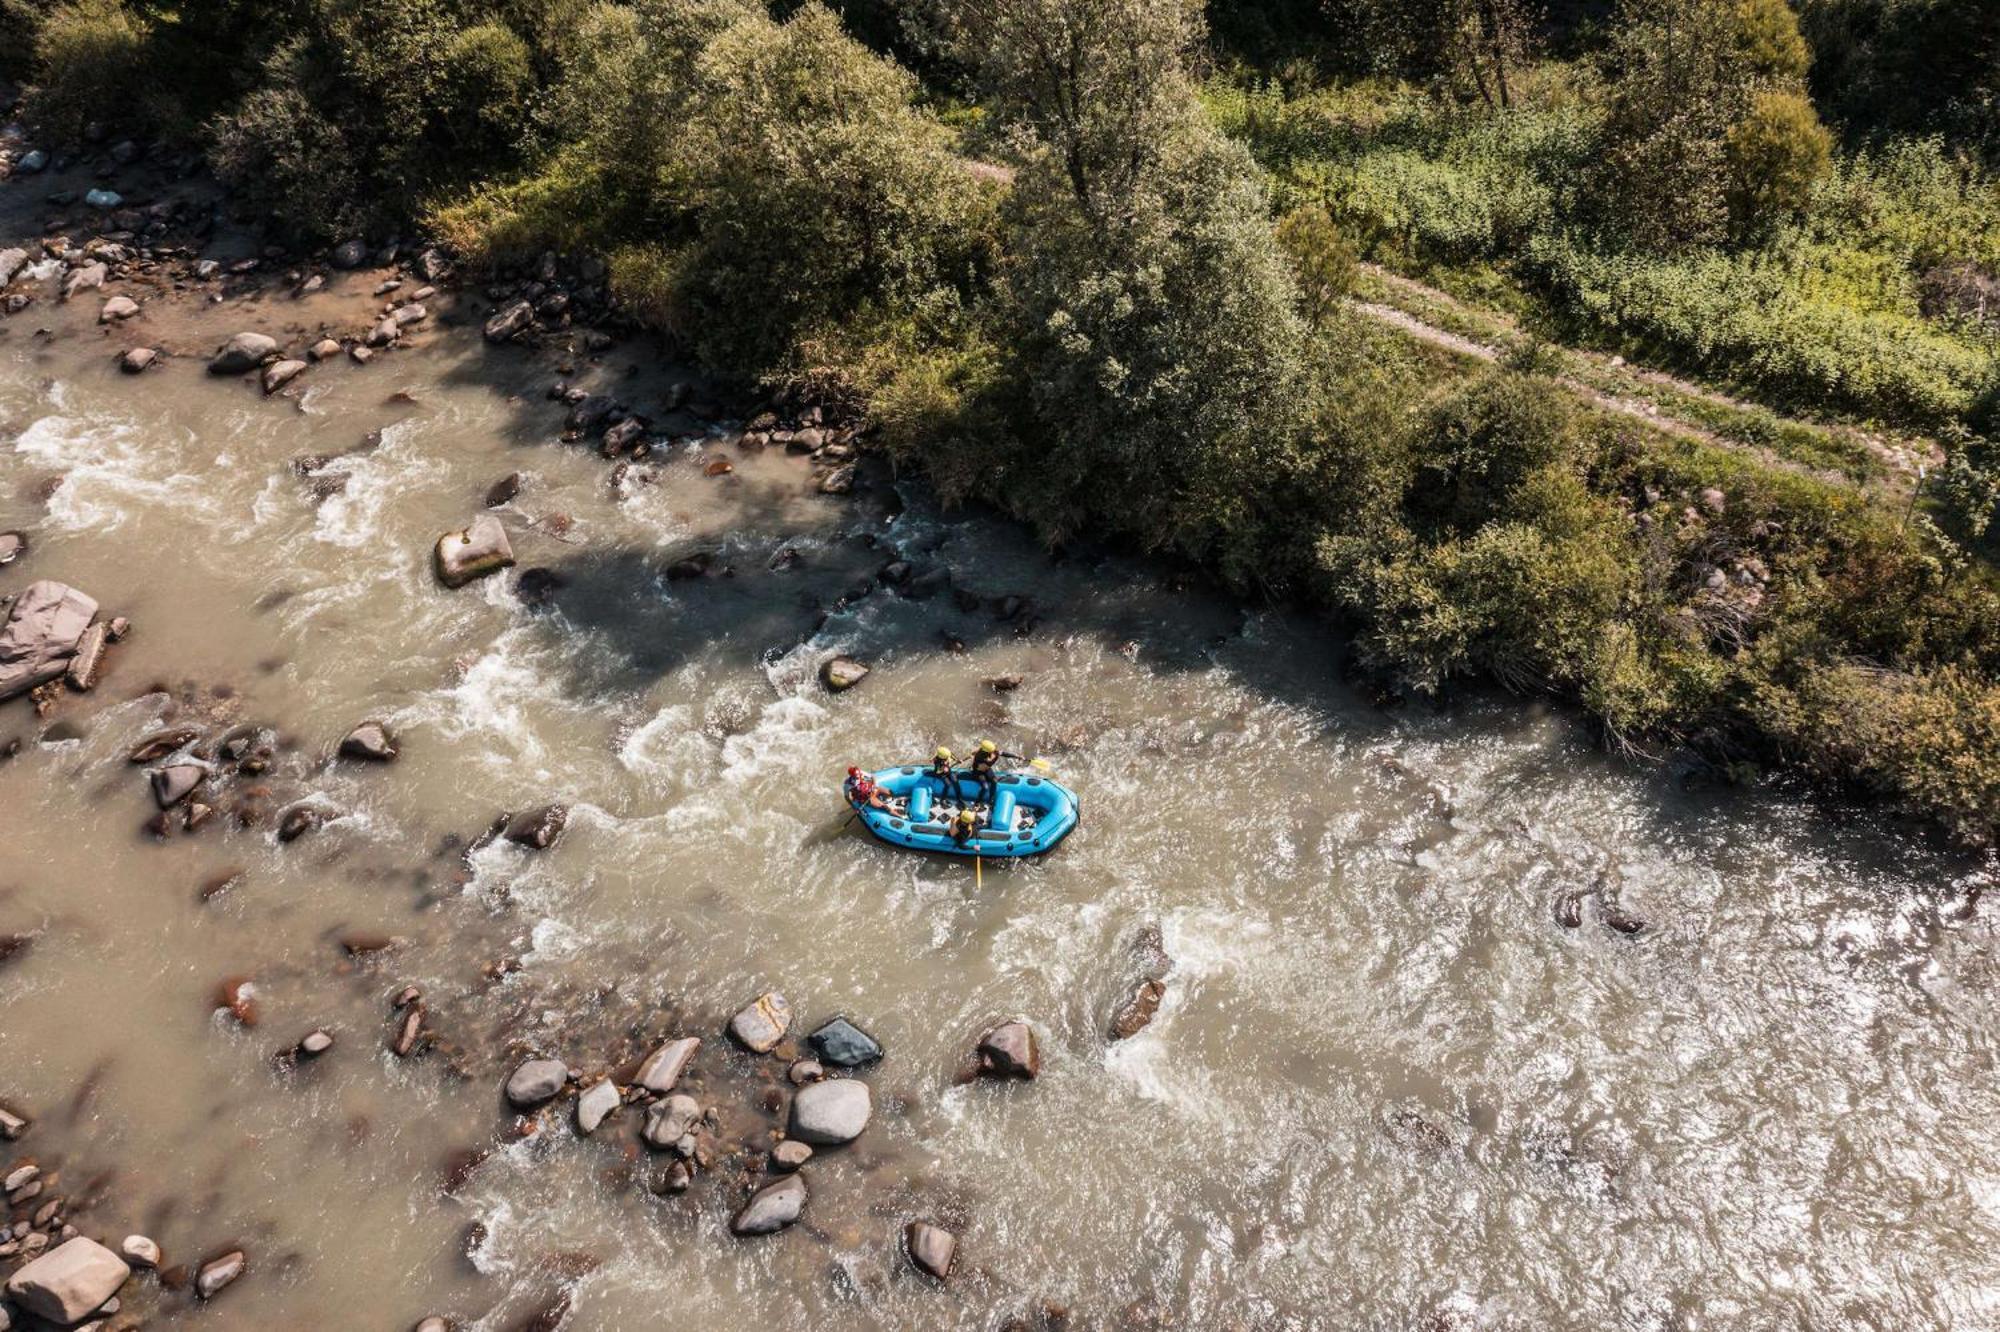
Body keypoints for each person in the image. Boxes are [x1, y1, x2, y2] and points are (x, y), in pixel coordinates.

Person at [969, 739, 1002, 807]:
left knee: (994, 781)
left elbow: (1004, 753)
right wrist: (995, 757)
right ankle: (977, 802)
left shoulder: (990, 751)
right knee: (985, 787)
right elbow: (989, 762)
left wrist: (1019, 757)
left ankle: (991, 800)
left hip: (986, 769)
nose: (993, 751)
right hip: (978, 772)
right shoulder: (979, 756)